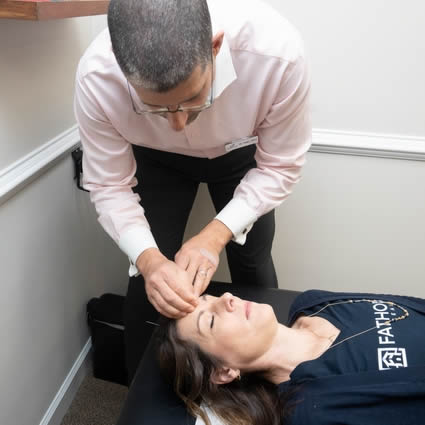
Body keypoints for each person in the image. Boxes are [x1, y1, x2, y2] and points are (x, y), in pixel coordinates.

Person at [74, 0, 311, 381]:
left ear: (215, 48)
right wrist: (150, 261)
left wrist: (214, 236)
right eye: (157, 108)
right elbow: (108, 184)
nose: (179, 125)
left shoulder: (275, 52)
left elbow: (280, 166)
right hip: (155, 160)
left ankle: (271, 389)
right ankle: (140, 394)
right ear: (121, 70)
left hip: (240, 154)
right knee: (147, 279)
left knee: (252, 261)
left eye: (192, 99)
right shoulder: (97, 76)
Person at [158, 290, 425, 425]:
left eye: (211, 296)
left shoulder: (313, 303)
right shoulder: (312, 409)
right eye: (212, 320)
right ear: (224, 371)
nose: (227, 297)